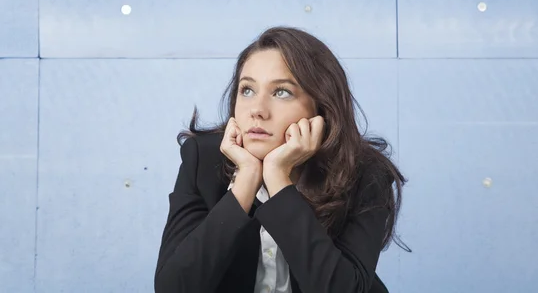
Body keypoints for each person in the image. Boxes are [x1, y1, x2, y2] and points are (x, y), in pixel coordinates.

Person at [154, 26, 409, 293]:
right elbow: (173, 288)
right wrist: (244, 184)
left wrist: (278, 179)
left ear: (321, 108)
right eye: (247, 90)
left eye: (281, 92)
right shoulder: (203, 159)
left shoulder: (365, 172)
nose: (258, 111)